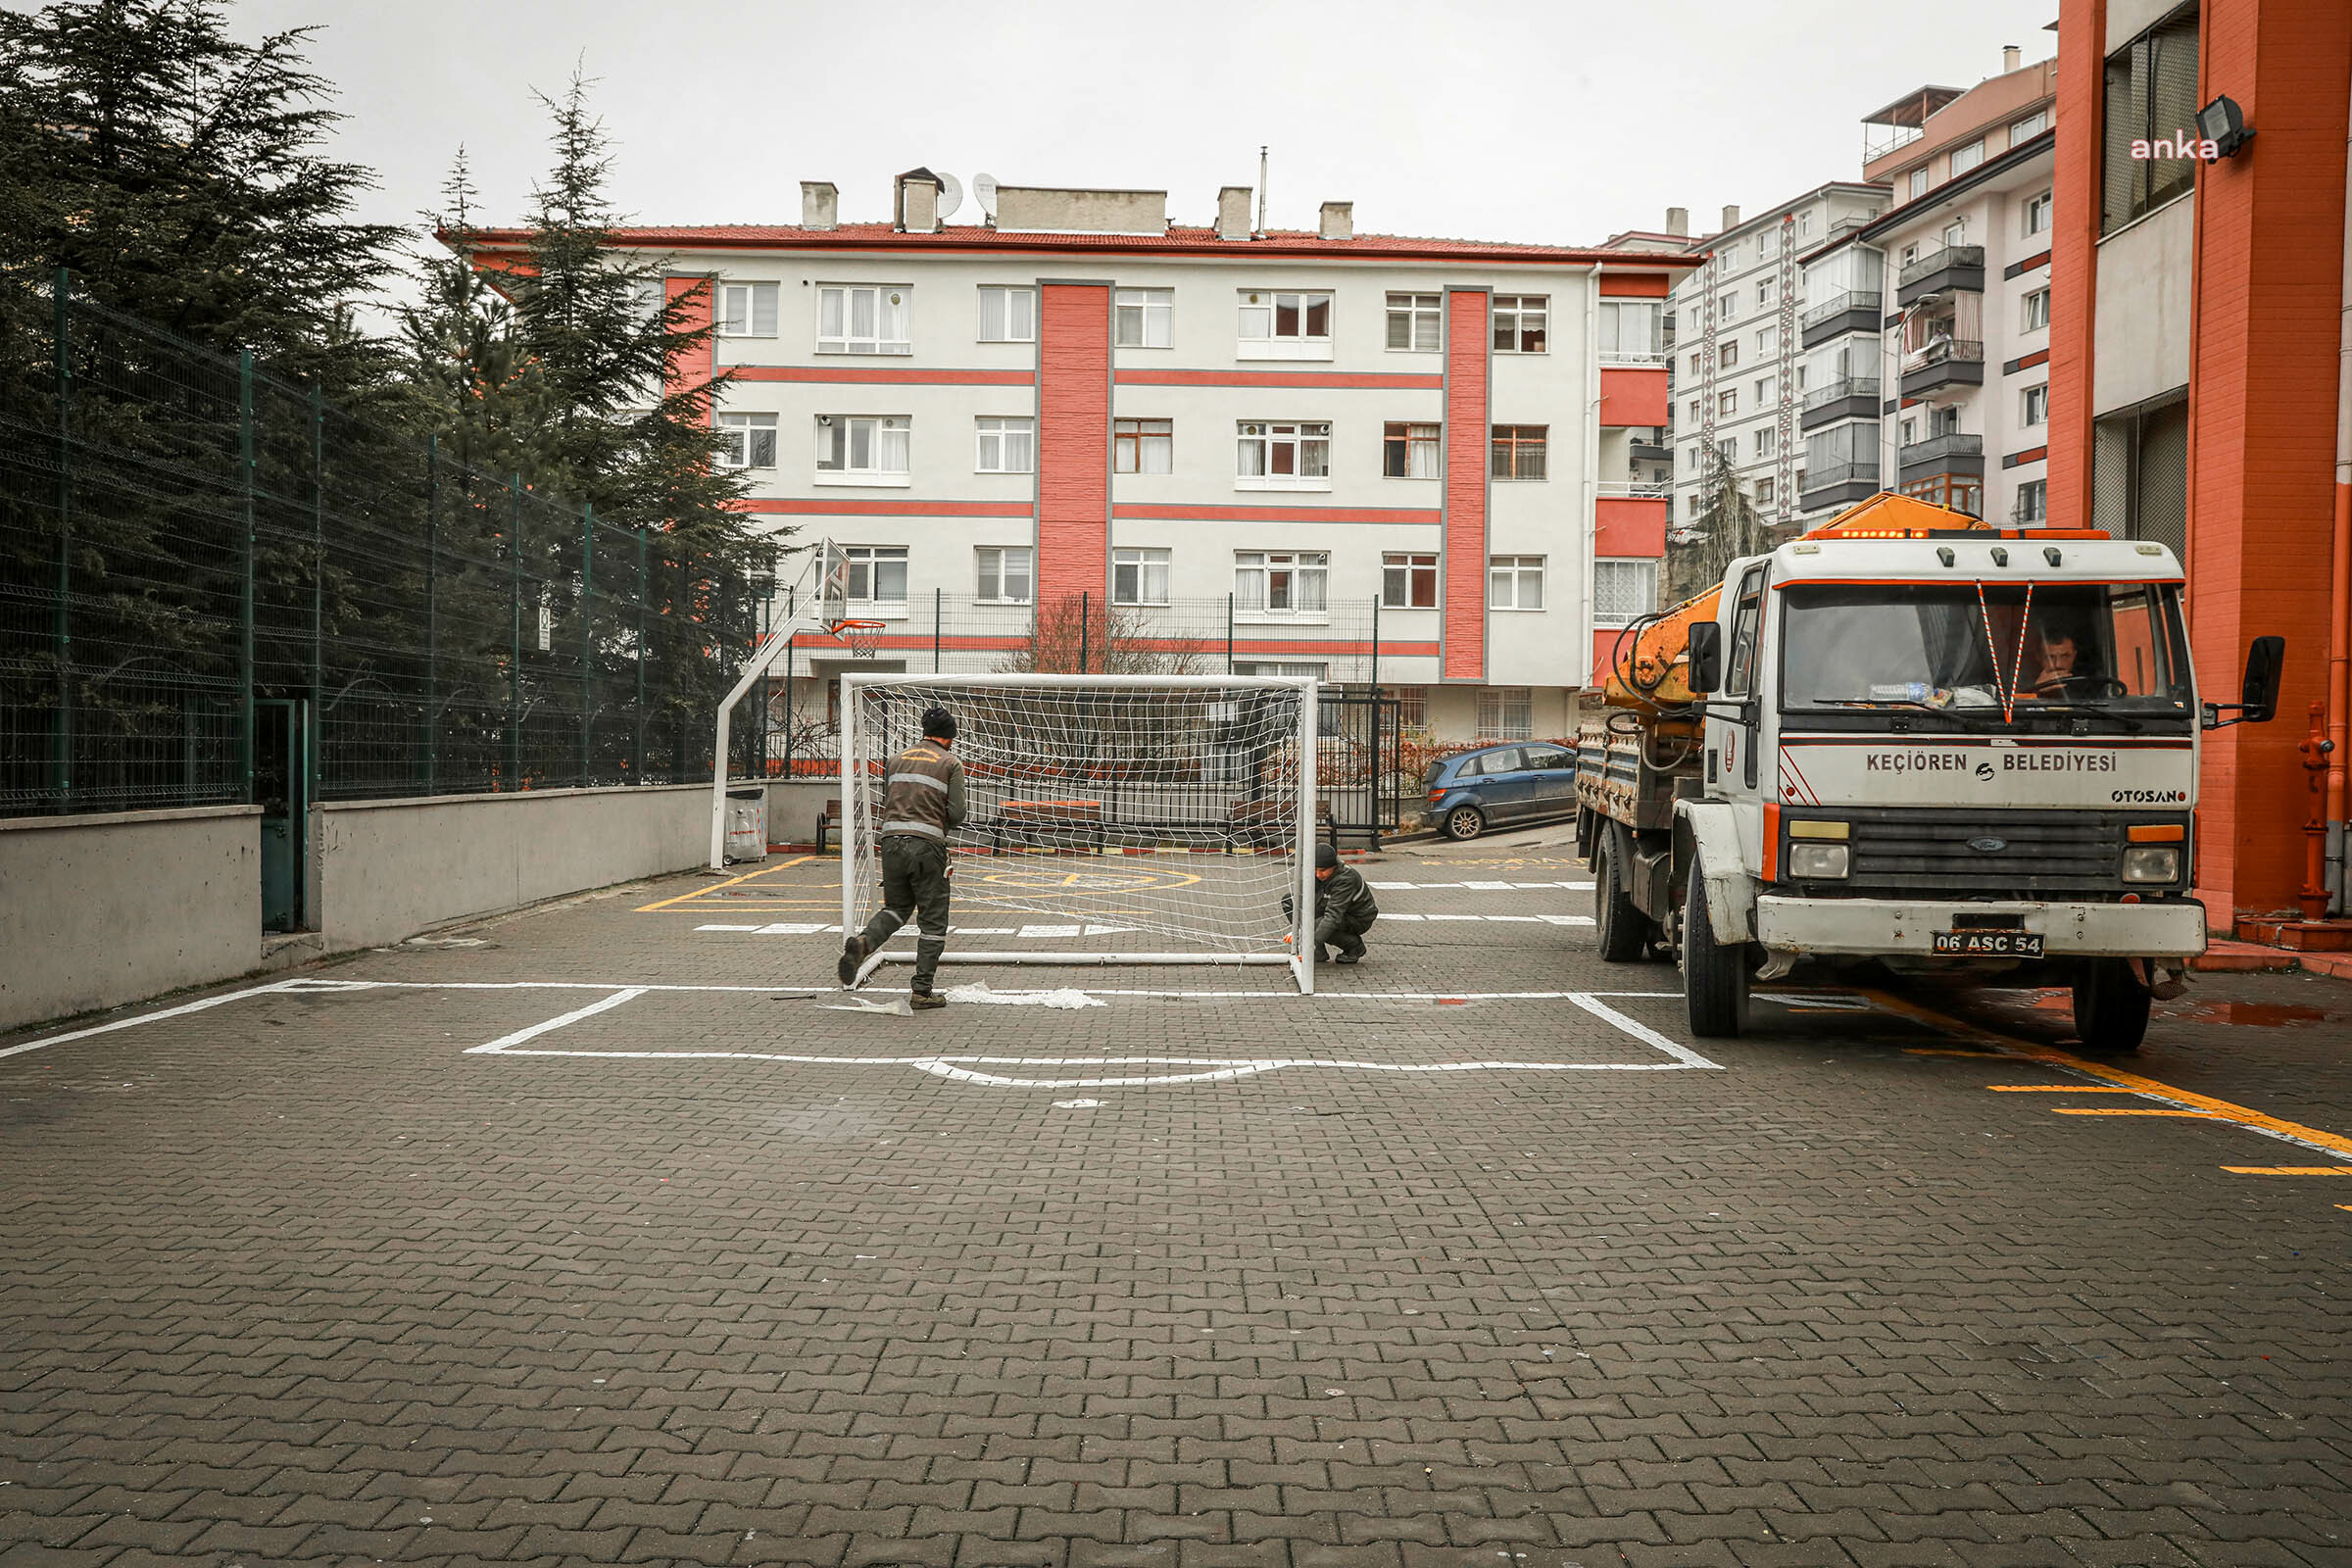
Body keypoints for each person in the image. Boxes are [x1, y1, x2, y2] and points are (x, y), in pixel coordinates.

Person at [838, 707, 966, 1008]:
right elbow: (958, 813)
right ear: (949, 737)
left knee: (896, 909)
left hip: (891, 842)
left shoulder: (896, 760)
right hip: (926, 847)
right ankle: (922, 991)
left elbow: (890, 800)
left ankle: (863, 943)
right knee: (933, 922)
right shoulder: (950, 762)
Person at [1283, 843, 1381, 965]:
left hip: (1356, 918)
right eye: (1315, 870)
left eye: (1323, 871)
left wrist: (1309, 943)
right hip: (1331, 906)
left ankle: (1354, 946)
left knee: (1318, 924)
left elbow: (1333, 916)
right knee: (1290, 901)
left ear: (1333, 867)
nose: (1318, 874)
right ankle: (1318, 952)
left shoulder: (1346, 878)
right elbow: (1303, 898)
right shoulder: (1315, 874)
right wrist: (1297, 931)